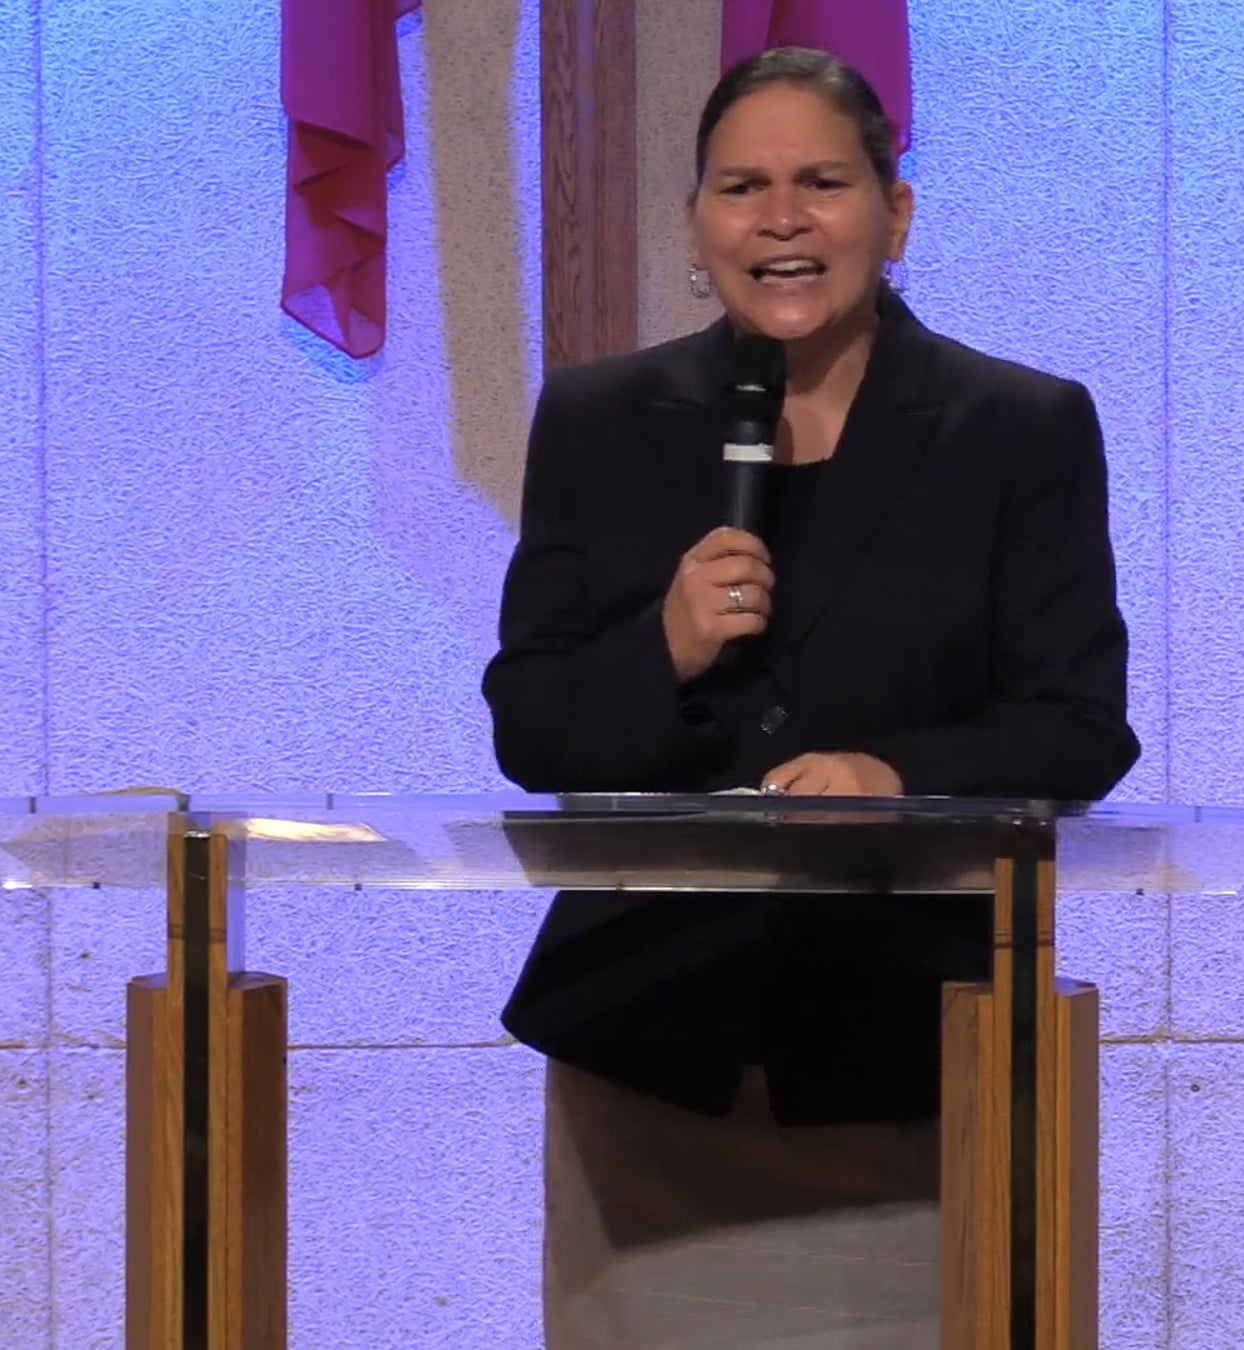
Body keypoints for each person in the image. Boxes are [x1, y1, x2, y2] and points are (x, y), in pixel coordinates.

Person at [481, 46, 1139, 1348]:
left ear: (895, 214)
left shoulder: (1019, 428)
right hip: (649, 1058)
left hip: (907, 1061)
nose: (780, 220)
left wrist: (895, 779)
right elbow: (533, 724)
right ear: (696, 224)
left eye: (822, 183)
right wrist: (665, 644)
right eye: (742, 188)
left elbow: (1077, 724)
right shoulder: (601, 421)